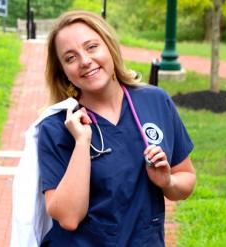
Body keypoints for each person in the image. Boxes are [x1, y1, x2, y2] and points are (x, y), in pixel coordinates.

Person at [37, 10, 196, 247]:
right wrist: (81, 143)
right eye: (70, 58)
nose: (84, 61)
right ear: (63, 73)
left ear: (109, 46)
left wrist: (167, 182)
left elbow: (186, 178)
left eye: (92, 47)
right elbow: (69, 218)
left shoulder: (155, 102)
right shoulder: (55, 127)